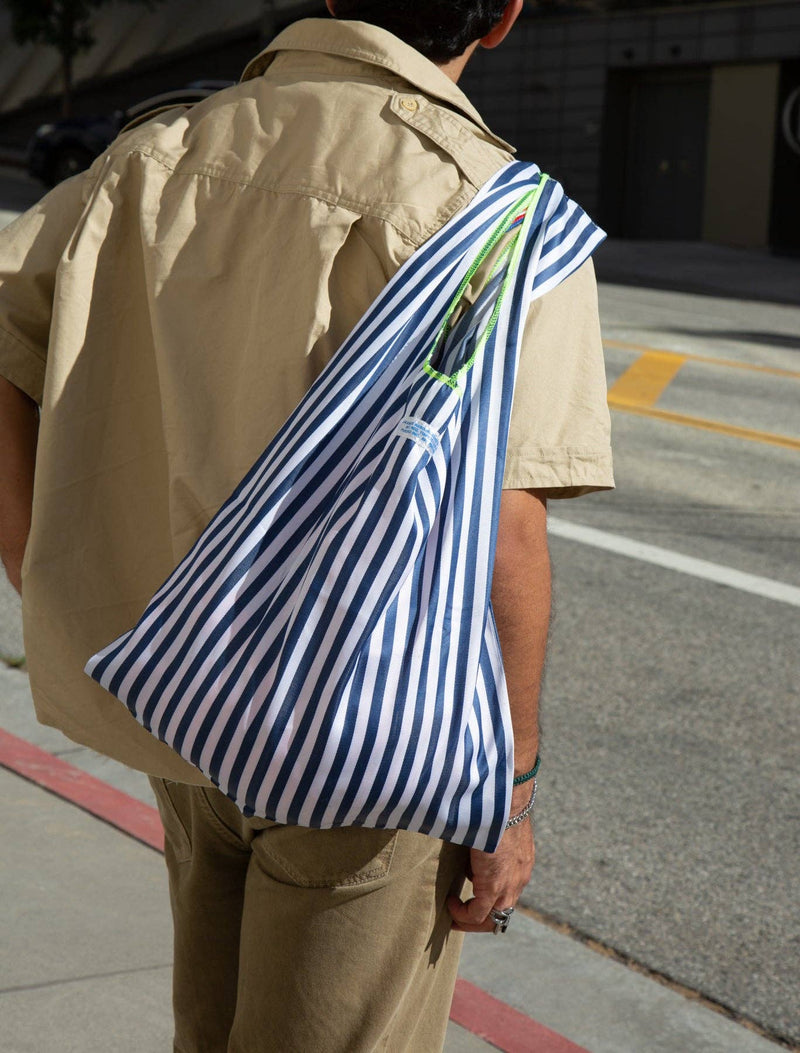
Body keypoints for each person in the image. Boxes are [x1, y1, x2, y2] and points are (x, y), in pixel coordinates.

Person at [0, 1, 613, 1049]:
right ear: (505, 16)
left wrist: (41, 567)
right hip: (369, 732)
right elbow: (507, 529)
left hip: (179, 686)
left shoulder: (156, 153)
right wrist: (507, 797)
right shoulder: (496, 211)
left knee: (215, 1025)